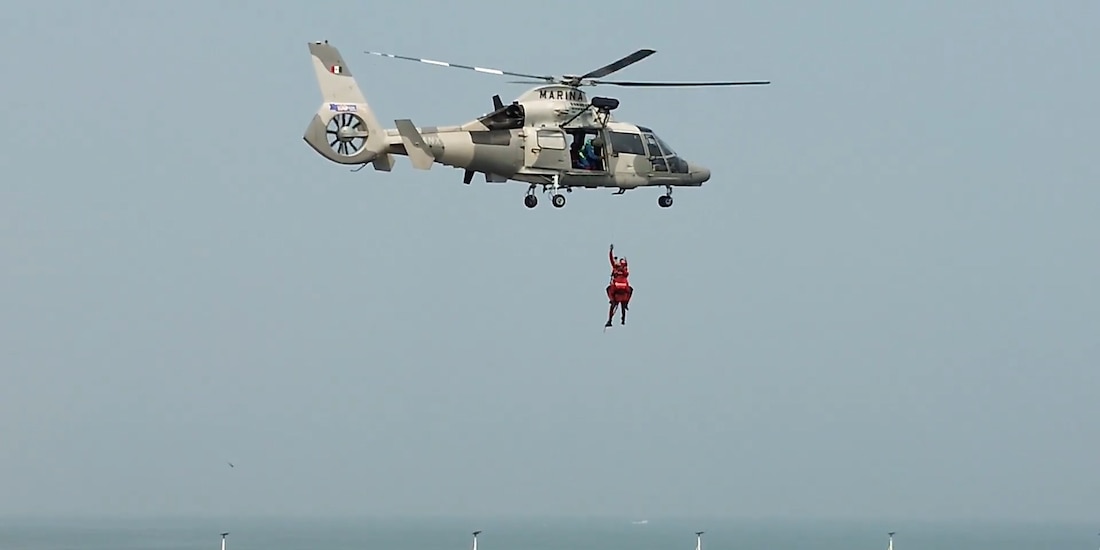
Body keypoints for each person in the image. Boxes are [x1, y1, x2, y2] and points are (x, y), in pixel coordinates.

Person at [606, 244, 633, 327]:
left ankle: (612, 301)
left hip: (615, 288)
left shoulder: (616, 268)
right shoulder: (624, 270)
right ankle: (626, 304)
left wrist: (610, 251)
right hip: (624, 289)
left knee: (608, 290)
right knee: (630, 291)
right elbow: (627, 274)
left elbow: (611, 259)